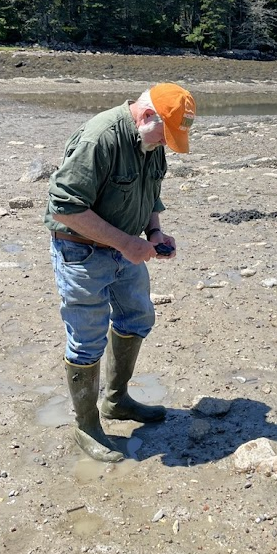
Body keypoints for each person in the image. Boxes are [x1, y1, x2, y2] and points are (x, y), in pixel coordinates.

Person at [45, 82, 196, 463]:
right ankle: (85, 424)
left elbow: (150, 192)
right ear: (147, 116)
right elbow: (64, 207)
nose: (166, 145)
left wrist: (154, 232)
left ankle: (116, 399)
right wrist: (126, 243)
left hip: (124, 249)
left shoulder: (150, 140)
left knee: (137, 317)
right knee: (87, 340)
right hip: (81, 253)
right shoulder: (101, 138)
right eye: (166, 135)